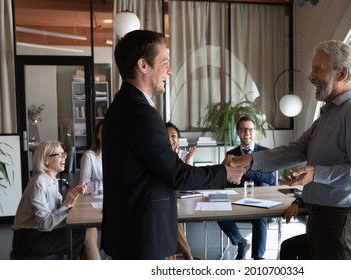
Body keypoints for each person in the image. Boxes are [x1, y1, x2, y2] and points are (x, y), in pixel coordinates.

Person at [228, 40, 351, 260]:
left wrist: (316, 173)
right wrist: (248, 160)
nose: (310, 76)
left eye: (318, 69)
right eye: (312, 69)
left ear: (342, 73)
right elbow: (294, 151)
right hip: (322, 219)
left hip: (343, 223)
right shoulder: (328, 115)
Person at [101, 30, 245, 260]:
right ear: (143, 65)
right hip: (142, 237)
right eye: (165, 62)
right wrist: (224, 172)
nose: (169, 70)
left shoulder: (122, 106)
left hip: (131, 231)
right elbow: (177, 176)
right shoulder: (140, 113)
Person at [12, 141, 101, 260]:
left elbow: (59, 208)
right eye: (58, 155)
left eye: (63, 154)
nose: (64, 158)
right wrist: (67, 205)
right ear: (45, 160)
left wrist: (72, 197)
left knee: (90, 229)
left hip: (41, 233)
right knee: (88, 234)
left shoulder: (52, 180)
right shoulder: (39, 182)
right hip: (29, 240)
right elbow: (45, 224)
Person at [218, 116, 276, 260]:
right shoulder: (231, 155)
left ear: (254, 131)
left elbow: (270, 178)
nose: (247, 132)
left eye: (250, 129)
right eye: (243, 129)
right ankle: (241, 242)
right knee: (218, 213)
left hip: (260, 201)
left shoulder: (265, 153)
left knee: (260, 217)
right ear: (238, 132)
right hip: (236, 200)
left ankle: (258, 259)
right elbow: (226, 180)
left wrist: (246, 170)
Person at [165, 121, 196, 260]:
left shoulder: (184, 154)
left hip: (182, 200)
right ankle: (187, 255)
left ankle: (181, 256)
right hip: (166, 200)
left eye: (173, 136)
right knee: (171, 219)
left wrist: (187, 163)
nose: (170, 139)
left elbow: (187, 185)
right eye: (166, 136)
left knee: (171, 219)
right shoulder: (157, 157)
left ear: (178, 139)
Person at [79, 120, 104, 195]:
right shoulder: (89, 156)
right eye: (103, 131)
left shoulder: (120, 156)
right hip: (96, 201)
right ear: (97, 135)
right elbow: (83, 188)